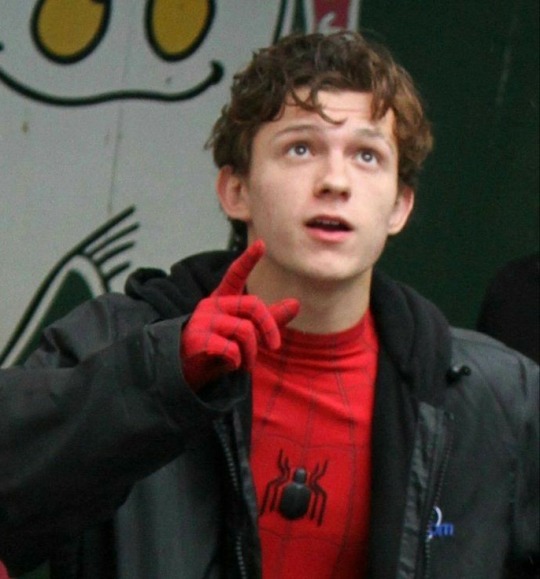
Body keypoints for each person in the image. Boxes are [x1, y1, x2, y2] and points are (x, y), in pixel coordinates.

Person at [0, 31, 538, 579]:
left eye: (367, 155)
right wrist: (162, 379)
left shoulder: (499, 398)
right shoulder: (113, 342)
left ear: (399, 206)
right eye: (300, 148)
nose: (335, 181)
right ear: (236, 191)